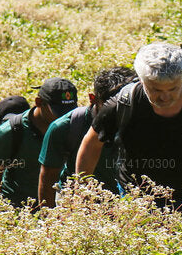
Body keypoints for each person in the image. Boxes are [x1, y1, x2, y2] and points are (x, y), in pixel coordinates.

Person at [75, 43, 182, 228]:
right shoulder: (123, 104)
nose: (165, 97)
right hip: (138, 199)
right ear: (142, 81)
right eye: (156, 90)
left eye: (173, 89)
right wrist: (82, 189)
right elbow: (91, 144)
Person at [36, 66, 136, 208]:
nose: (117, 110)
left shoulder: (138, 121)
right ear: (92, 99)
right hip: (80, 207)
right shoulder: (64, 127)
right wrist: (48, 219)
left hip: (127, 207)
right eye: (110, 104)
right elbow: (48, 178)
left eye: (123, 104)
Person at [0, 77, 77, 209]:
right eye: (58, 112)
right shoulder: (10, 132)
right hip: (19, 209)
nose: (64, 118)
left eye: (68, 112)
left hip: (59, 209)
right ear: (39, 102)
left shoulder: (72, 126)